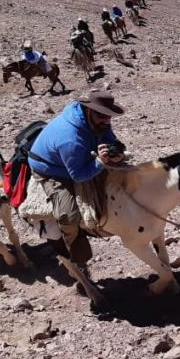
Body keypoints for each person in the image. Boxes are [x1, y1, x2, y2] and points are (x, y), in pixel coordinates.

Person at [28, 91, 126, 272]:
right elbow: (78, 175)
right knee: (69, 215)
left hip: (76, 157)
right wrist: (99, 163)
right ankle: (74, 247)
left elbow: (110, 138)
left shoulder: (99, 122)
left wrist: (116, 150)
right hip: (54, 171)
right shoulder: (70, 138)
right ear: (88, 111)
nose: (106, 121)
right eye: (102, 116)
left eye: (109, 117)